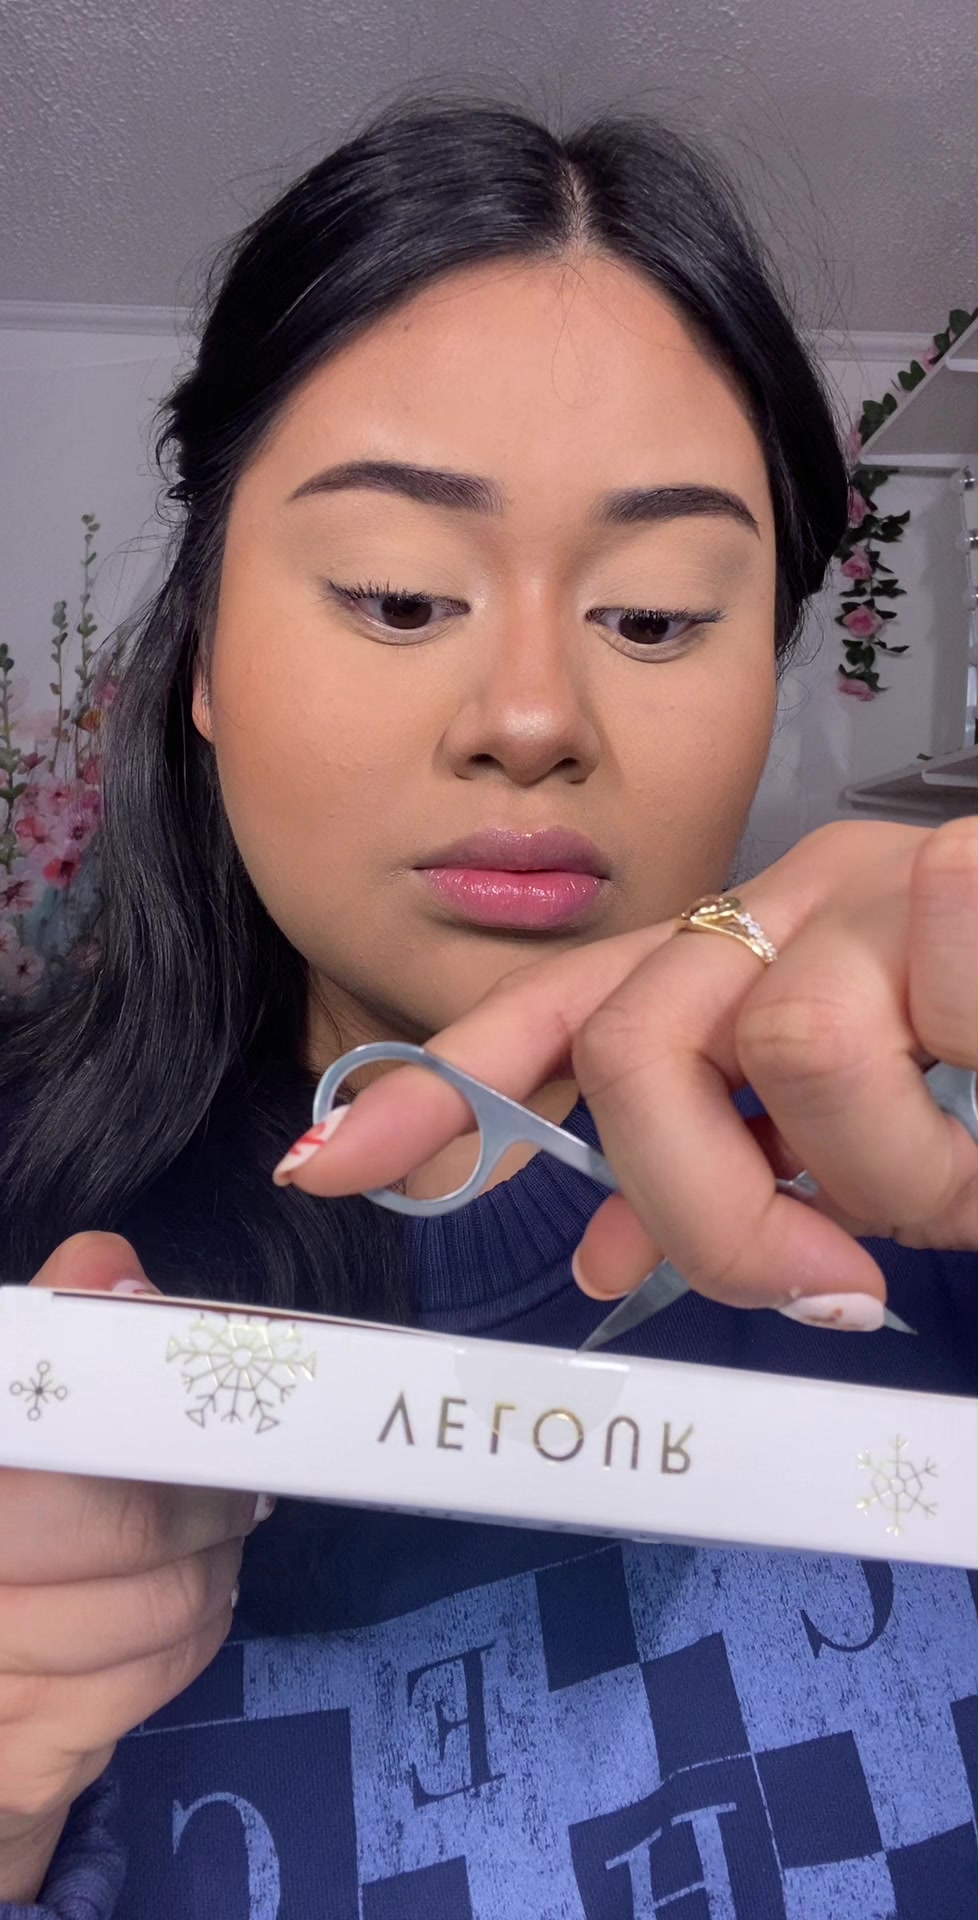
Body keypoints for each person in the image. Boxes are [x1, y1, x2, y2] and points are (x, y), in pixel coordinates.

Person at [0, 100, 974, 1920]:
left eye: (655, 619)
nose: (531, 717)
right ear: (203, 655)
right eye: (398, 596)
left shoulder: (935, 1202)